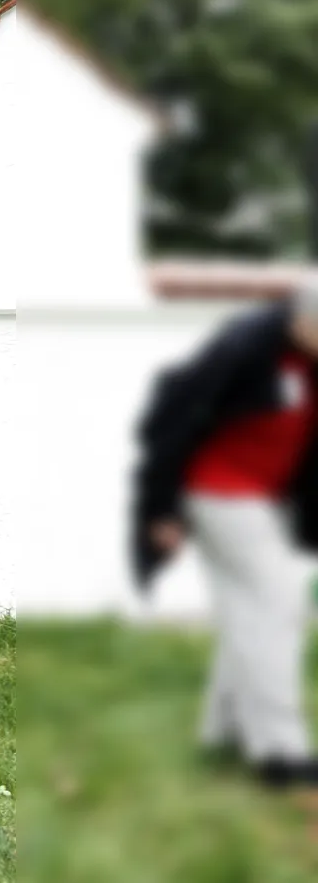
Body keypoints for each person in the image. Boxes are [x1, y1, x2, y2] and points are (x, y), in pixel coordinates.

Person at [133, 279, 318, 789]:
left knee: (247, 611)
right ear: (301, 321)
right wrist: (161, 509)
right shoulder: (247, 345)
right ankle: (279, 751)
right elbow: (172, 413)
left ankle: (223, 731)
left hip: (262, 499)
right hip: (217, 492)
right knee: (281, 608)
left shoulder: (306, 359)